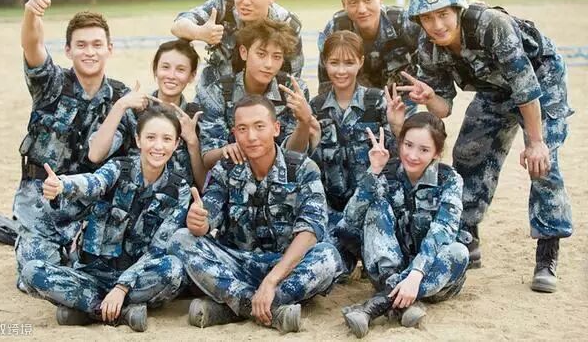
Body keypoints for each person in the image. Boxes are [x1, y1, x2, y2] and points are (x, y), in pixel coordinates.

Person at [403, 0, 573, 292]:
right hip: (494, 90)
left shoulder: (491, 25)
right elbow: (444, 108)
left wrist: (536, 142)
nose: (437, 25)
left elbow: (525, 88)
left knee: (542, 163)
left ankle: (547, 253)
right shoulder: (428, 47)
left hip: (541, 82)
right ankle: (468, 238)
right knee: (468, 154)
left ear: (458, 9)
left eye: (443, 14)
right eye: (427, 18)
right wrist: (430, 97)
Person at [169, 96, 343, 334]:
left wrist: (271, 281)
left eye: (259, 126)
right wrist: (198, 221)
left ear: (276, 128)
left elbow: (311, 230)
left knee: (329, 256)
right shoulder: (226, 168)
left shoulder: (302, 168)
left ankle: (232, 309)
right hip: (239, 263)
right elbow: (208, 216)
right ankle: (264, 308)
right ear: (234, 133)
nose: (251, 136)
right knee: (181, 239)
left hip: (286, 266)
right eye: (242, 129)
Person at [21, 106, 190, 332]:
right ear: (138, 140)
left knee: (173, 270)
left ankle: (88, 309)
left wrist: (122, 287)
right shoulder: (118, 168)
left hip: (136, 279)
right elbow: (94, 182)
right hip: (92, 275)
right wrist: (62, 185)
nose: (158, 146)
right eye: (151, 137)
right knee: (32, 271)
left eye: (166, 139)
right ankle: (119, 312)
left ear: (176, 144)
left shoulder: (179, 189)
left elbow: (158, 250)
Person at [15, 0, 131, 291]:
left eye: (97, 44)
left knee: (109, 266)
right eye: (81, 45)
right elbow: (32, 44)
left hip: (90, 208)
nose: (89, 52)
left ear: (109, 49)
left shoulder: (122, 97)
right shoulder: (51, 84)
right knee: (36, 274)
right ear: (68, 50)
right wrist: (32, 13)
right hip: (41, 207)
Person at [341, 112, 468, 338]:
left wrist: (416, 275)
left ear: (437, 153)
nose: (412, 155)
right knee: (377, 207)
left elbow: (443, 230)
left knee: (459, 252)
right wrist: (373, 172)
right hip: (388, 272)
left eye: (424, 150)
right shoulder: (385, 173)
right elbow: (350, 219)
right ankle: (403, 303)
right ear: (400, 143)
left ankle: (378, 304)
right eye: (408, 145)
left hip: (429, 278)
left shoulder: (449, 180)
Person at [309, 30, 404, 273]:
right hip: (333, 211)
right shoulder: (316, 108)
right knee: (332, 267)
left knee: (381, 263)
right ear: (324, 63)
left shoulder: (376, 101)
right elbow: (311, 167)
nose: (341, 70)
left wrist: (397, 127)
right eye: (334, 62)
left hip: (371, 203)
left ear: (360, 62)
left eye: (349, 62)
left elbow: (397, 159)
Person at [197, 19, 317, 171]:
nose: (268, 64)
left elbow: (294, 156)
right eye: (261, 54)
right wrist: (226, 151)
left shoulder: (292, 91)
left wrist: (304, 122)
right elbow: (208, 158)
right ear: (244, 52)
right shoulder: (218, 91)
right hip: (233, 174)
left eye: (277, 57)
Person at [88, 39, 206, 190]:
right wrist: (121, 105)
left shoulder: (196, 117)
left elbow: (204, 185)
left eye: (180, 70)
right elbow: (95, 155)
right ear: (155, 70)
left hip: (178, 201)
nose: (171, 75)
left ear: (192, 76)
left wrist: (192, 142)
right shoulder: (134, 110)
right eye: (165, 67)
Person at [171, 0, 304, 88]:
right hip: (216, 92)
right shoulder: (224, 5)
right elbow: (178, 25)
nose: (245, 1)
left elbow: (292, 79)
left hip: (264, 96)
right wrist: (200, 33)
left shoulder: (288, 25)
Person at [317, 0, 420, 105]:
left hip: (402, 104)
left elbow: (431, 68)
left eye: (368, 0)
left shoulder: (404, 23)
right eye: (353, 2)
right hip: (357, 106)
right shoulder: (336, 29)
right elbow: (326, 85)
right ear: (344, 5)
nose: (362, 9)